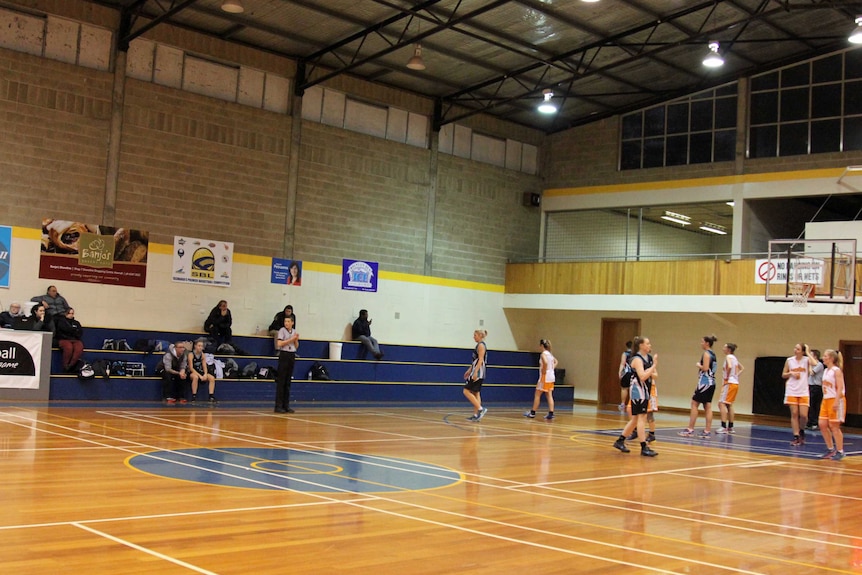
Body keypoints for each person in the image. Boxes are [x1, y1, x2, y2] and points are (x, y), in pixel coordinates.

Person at [613, 336, 658, 456]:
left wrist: (652, 368)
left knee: (634, 420)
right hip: (638, 391)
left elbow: (655, 375)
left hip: (646, 390)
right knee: (641, 418)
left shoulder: (648, 358)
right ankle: (644, 447)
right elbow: (643, 376)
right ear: (641, 346)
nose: (649, 345)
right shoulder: (637, 359)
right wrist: (653, 367)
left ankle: (620, 441)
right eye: (647, 343)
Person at [678, 335, 718, 439]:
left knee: (694, 403)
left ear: (707, 343)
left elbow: (705, 368)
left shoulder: (706, 354)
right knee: (707, 406)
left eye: (702, 342)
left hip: (704, 382)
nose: (701, 344)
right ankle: (707, 430)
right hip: (712, 382)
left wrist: (698, 365)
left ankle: (690, 429)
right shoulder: (713, 354)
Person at [818, 349, 846, 461]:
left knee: (834, 427)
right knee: (822, 424)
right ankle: (830, 449)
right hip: (826, 400)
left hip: (836, 399)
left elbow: (840, 387)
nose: (823, 358)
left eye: (825, 356)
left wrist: (836, 402)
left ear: (831, 358)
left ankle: (840, 451)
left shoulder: (836, 370)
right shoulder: (825, 371)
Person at [782, 342, 811, 446]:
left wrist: (808, 352)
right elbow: (783, 374)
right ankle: (796, 436)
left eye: (798, 349)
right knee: (794, 413)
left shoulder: (806, 360)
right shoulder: (789, 360)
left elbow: (816, 363)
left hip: (803, 390)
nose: (795, 350)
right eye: (795, 348)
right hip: (792, 389)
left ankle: (802, 430)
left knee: (803, 415)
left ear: (802, 351)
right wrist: (791, 373)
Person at [524, 339, 557, 420]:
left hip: (545, 377)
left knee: (537, 394)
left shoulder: (543, 354)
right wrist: (551, 369)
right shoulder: (550, 354)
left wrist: (544, 370)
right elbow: (556, 362)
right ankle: (551, 413)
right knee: (549, 394)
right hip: (551, 376)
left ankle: (533, 412)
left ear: (542, 346)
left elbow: (545, 362)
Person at [274, 316, 299, 413]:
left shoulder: (294, 331)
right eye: (285, 321)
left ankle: (286, 405)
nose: (286, 323)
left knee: (288, 381)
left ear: (292, 322)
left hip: (291, 355)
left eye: (288, 321)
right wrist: (291, 340)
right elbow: (279, 344)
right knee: (281, 381)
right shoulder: (282, 331)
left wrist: (296, 340)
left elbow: (296, 346)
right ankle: (278, 405)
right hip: (284, 355)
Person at [717, 343, 744, 434]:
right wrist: (735, 376)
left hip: (729, 383)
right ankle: (730, 427)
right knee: (729, 404)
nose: (723, 348)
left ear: (728, 349)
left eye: (724, 347)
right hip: (735, 383)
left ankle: (723, 426)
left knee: (721, 404)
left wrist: (727, 377)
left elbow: (729, 366)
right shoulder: (735, 358)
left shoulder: (728, 357)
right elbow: (742, 368)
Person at [463, 329, 488, 421]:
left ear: (480, 336)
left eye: (475, 335)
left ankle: (481, 409)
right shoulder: (479, 345)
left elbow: (481, 360)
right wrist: (469, 370)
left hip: (479, 372)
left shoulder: (481, 345)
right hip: (477, 370)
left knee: (466, 391)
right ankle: (476, 415)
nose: (474, 337)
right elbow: (475, 361)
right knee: (476, 393)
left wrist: (475, 372)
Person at [187, 338, 217, 404]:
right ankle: (194, 396)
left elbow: (204, 366)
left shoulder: (203, 355)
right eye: (199, 346)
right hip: (192, 372)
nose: (201, 347)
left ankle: (211, 396)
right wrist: (200, 376)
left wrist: (205, 374)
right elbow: (191, 368)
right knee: (195, 377)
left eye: (202, 346)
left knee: (212, 378)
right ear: (195, 346)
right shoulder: (191, 354)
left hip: (200, 371)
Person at [806, 349, 824, 431]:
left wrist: (809, 365)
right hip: (810, 386)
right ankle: (809, 422)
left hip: (816, 386)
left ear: (815, 356)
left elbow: (812, 373)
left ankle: (815, 423)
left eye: (811, 355)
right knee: (810, 405)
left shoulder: (819, 365)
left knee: (814, 405)